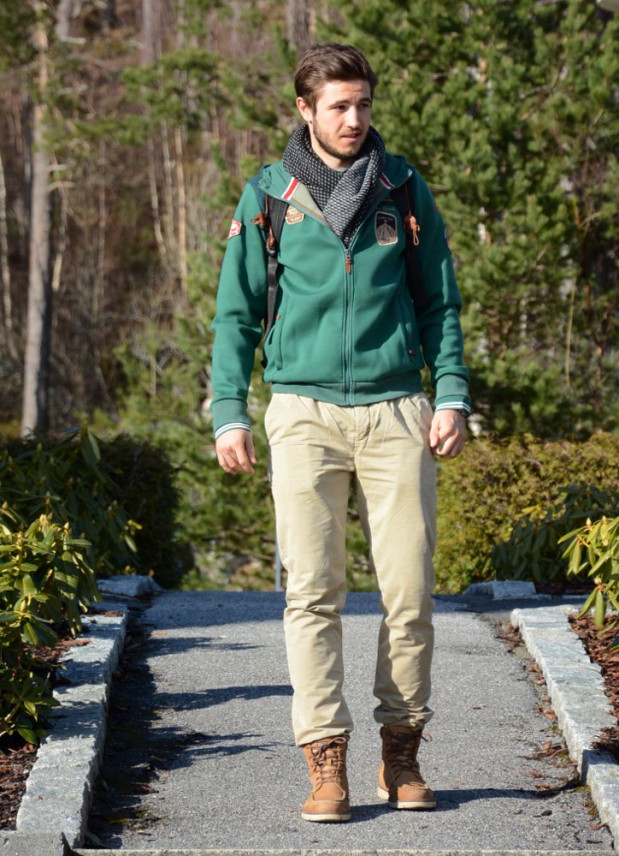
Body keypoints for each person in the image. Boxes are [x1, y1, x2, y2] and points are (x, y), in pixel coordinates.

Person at [211, 43, 470, 822]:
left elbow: (440, 303)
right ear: (305, 110)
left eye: (362, 104)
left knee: (409, 594)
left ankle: (402, 751)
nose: (354, 119)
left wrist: (451, 394)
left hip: (397, 411)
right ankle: (325, 760)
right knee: (312, 593)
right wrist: (229, 411)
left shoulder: (403, 188)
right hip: (302, 412)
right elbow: (235, 315)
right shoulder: (269, 196)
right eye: (338, 107)